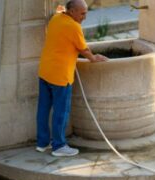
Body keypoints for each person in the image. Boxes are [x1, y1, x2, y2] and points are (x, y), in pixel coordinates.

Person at [36, 0, 108, 157]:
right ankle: (59, 146)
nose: (85, 17)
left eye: (86, 13)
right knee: (61, 112)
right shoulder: (74, 27)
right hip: (60, 76)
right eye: (82, 13)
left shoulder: (56, 18)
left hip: (45, 71)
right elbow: (84, 49)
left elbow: (59, 9)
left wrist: (63, 9)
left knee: (43, 108)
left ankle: (42, 143)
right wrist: (94, 58)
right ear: (73, 11)